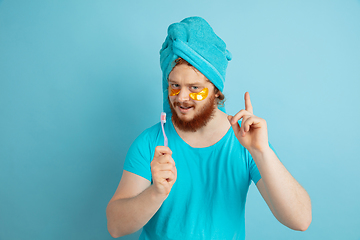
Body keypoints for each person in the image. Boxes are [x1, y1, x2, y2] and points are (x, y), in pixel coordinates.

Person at [106, 16, 312, 240]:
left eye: (195, 87)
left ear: (217, 91)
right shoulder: (150, 142)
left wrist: (262, 151)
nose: (181, 98)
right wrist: (156, 193)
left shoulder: (246, 140)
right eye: (174, 85)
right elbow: (116, 227)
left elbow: (300, 220)